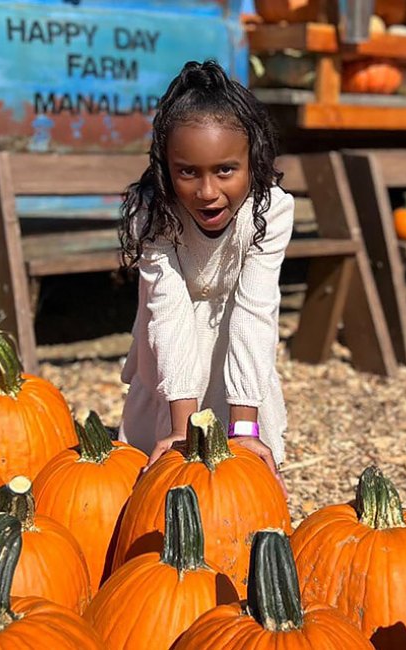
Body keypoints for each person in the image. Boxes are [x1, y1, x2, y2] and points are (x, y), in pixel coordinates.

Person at [117, 60, 292, 486]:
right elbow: (168, 312)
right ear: (166, 167)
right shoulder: (154, 213)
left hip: (236, 338)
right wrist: (181, 428)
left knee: (239, 467)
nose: (208, 191)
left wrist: (245, 429)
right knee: (157, 470)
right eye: (188, 172)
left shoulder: (271, 211)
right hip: (173, 347)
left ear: (254, 161)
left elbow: (254, 314)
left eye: (225, 170)